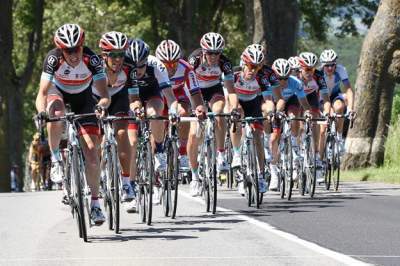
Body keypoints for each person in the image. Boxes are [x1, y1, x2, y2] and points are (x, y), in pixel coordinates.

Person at [35, 24, 109, 225]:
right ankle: (57, 159)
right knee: (56, 112)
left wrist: (101, 106)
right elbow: (42, 93)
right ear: (61, 49)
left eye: (76, 49)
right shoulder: (53, 59)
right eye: (68, 50)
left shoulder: (92, 59)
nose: (73, 54)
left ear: (82, 45)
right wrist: (42, 112)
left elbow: (104, 95)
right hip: (58, 93)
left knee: (92, 153)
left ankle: (95, 204)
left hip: (84, 98)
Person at [187, 32, 238, 196]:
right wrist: (196, 105)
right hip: (196, 91)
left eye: (218, 53)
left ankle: (221, 153)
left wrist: (235, 107)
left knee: (218, 112)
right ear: (203, 51)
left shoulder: (226, 63)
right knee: (194, 134)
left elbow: (230, 89)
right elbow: (187, 82)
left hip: (214, 89)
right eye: (210, 53)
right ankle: (195, 176)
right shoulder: (194, 60)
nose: (214, 56)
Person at [95, 31, 135, 202]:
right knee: (94, 138)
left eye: (121, 54)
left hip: (119, 96)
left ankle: (126, 182)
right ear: (104, 55)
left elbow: (134, 96)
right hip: (96, 97)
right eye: (114, 55)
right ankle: (97, 174)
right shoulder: (95, 66)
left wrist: (138, 107)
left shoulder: (129, 66)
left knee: (121, 133)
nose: (118, 59)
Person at [155, 40, 205, 171]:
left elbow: (195, 92)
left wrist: (199, 108)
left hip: (177, 94)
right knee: (157, 120)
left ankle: (183, 153)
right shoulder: (153, 68)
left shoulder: (186, 68)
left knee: (183, 112)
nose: (171, 67)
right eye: (167, 64)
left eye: (174, 63)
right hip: (159, 95)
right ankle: (156, 154)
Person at [230, 45, 269, 195]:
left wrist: (271, 111)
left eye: (257, 67)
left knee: (258, 137)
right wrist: (233, 109)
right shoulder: (234, 76)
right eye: (250, 66)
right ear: (243, 64)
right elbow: (229, 97)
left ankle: (260, 174)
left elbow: (268, 99)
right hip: (237, 103)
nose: (253, 70)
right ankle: (237, 154)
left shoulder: (261, 78)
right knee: (236, 114)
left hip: (253, 104)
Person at [297, 52, 331, 183]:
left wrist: (327, 113)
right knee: (299, 121)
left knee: (315, 117)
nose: (310, 72)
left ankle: (316, 156)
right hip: (297, 98)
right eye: (307, 69)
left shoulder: (318, 76)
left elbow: (326, 99)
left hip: (311, 97)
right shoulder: (295, 77)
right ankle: (297, 151)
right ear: (300, 68)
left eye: (312, 69)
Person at [319, 49, 356, 154]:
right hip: (322, 98)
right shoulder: (318, 73)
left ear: (336, 64)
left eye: (332, 65)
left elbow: (348, 89)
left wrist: (350, 108)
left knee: (339, 107)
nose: (330, 68)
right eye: (327, 65)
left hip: (335, 95)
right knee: (325, 125)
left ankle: (339, 138)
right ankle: (320, 158)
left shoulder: (341, 70)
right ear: (322, 65)